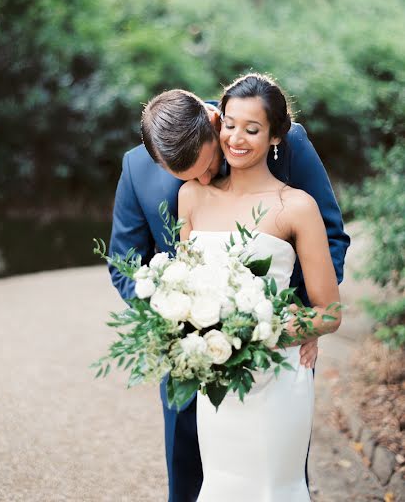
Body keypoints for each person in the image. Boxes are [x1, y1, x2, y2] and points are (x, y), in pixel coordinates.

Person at [108, 85, 350, 502]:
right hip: (192, 351)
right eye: (188, 176)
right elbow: (126, 265)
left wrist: (301, 317)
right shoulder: (137, 168)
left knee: (273, 476)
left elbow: (330, 236)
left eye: (206, 166)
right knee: (188, 472)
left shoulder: (281, 140)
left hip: (275, 349)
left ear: (214, 123)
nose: (204, 179)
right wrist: (178, 324)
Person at [178, 73, 342, 500]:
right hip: (214, 377)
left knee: (273, 488)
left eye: (252, 129)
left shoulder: (296, 206)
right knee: (220, 483)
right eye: (229, 124)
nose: (236, 138)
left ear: (274, 136)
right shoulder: (190, 198)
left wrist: (285, 331)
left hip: (276, 378)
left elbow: (329, 312)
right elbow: (183, 290)